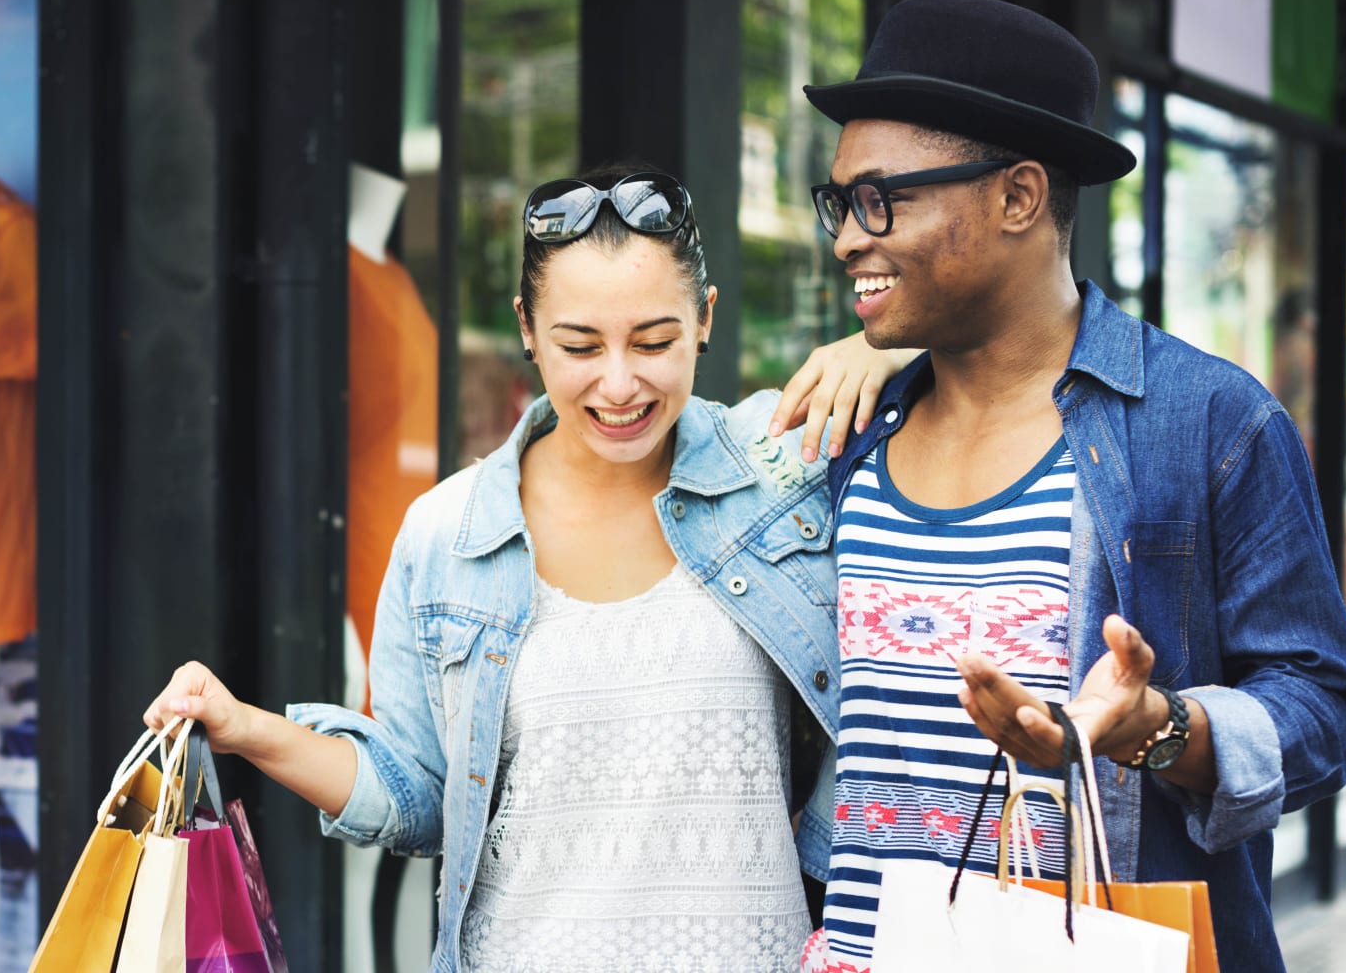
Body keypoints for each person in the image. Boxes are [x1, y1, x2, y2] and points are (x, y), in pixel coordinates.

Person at [145, 165, 899, 970]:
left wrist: (891, 348)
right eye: (579, 345)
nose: (619, 383)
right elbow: (418, 796)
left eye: (654, 341)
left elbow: (1014, 345)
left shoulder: (782, 470)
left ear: (705, 320)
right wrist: (248, 729)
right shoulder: (449, 534)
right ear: (527, 331)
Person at [792, 0, 1346, 973]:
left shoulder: (1205, 423)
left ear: (1018, 197)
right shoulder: (845, 433)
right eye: (839, 200)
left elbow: (1324, 710)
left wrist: (1157, 729)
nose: (847, 235)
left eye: (880, 198)